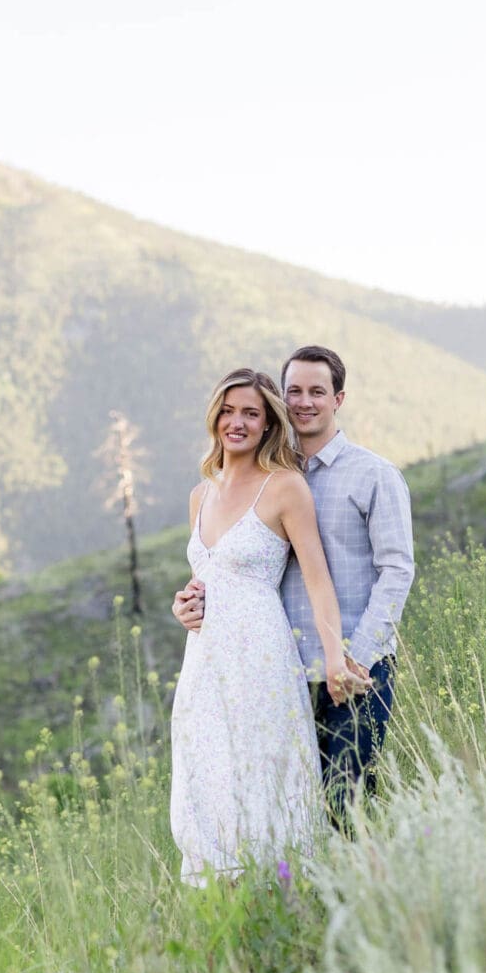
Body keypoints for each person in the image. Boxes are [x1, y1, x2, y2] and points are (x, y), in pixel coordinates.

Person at [174, 346, 415, 823]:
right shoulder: (264, 479)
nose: (305, 402)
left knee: (346, 807)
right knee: (285, 806)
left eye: (317, 392)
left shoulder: (373, 475)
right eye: (294, 392)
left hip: (352, 670)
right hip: (276, 672)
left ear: (338, 398)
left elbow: (398, 571)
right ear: (282, 403)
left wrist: (354, 656)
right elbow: (232, 567)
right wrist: (190, 603)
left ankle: (363, 895)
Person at [169, 368, 368, 883]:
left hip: (261, 657)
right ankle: (220, 898)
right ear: (215, 417)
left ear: (267, 424)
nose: (237, 422)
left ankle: (283, 888)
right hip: (205, 661)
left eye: (251, 413)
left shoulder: (284, 488)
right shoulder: (200, 495)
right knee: (208, 774)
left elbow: (319, 581)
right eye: (229, 411)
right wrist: (184, 607)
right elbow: (204, 582)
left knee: (263, 774)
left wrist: (333, 657)